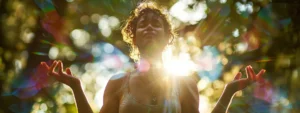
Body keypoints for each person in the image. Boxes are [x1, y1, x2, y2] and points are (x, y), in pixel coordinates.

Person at [39, 2, 266, 113]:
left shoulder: (185, 84)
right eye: (142, 25)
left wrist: (228, 92)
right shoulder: (118, 83)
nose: (149, 28)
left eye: (156, 24)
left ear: (168, 36)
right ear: (134, 37)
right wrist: (77, 88)